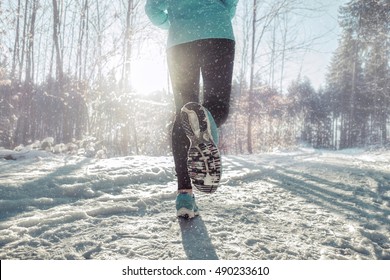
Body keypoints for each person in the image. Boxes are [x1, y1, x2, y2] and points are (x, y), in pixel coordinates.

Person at [145, 0, 238, 219]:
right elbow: (231, 3)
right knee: (217, 106)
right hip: (216, 32)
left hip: (180, 41)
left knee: (183, 114)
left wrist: (175, 22)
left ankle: (184, 196)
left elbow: (152, 9)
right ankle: (205, 132)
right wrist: (216, 14)